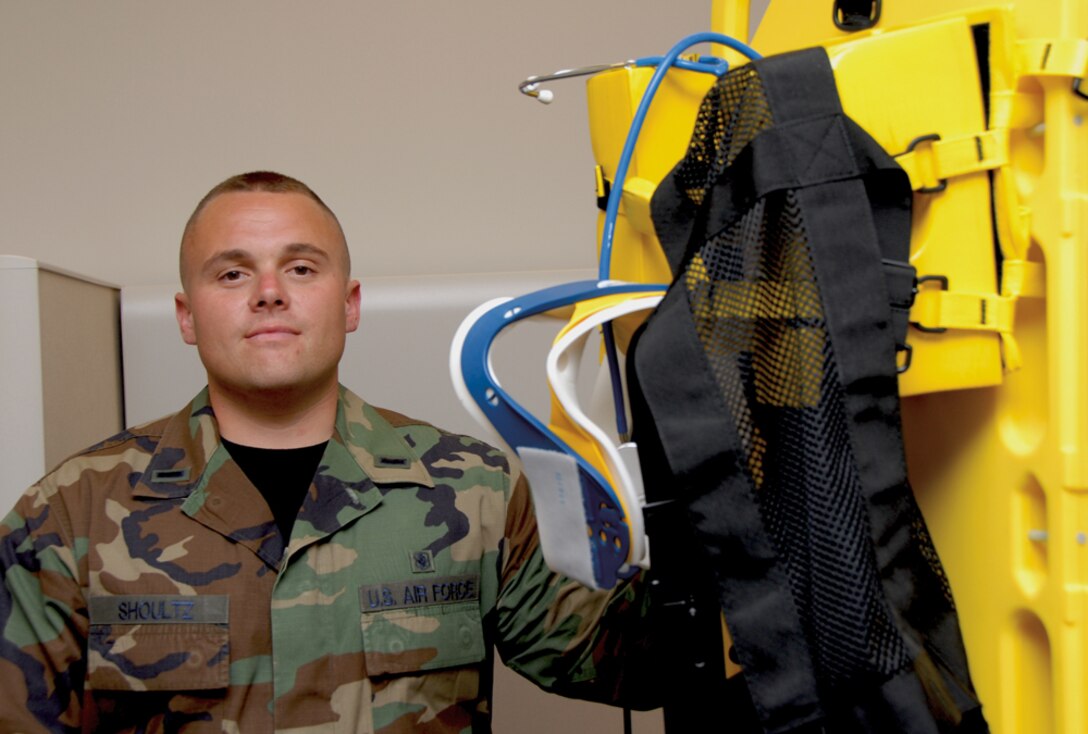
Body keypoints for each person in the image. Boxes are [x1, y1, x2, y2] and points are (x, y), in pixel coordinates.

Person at [0, 171, 653, 733]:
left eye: (301, 268)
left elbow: (631, 662)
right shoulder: (70, 513)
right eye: (232, 272)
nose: (269, 292)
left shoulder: (474, 489)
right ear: (186, 316)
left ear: (350, 304)